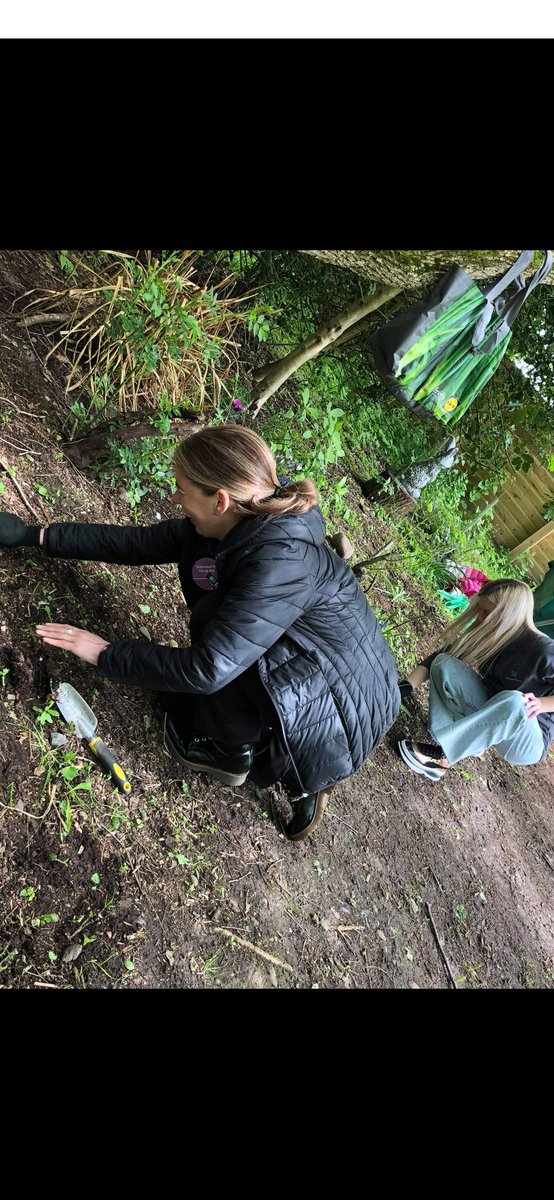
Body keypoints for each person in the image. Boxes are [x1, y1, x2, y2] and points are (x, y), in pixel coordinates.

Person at [0, 425, 401, 841]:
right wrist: (36, 536)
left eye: (181, 490)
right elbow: (137, 543)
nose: (174, 499)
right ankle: (279, 750)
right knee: (222, 637)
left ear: (220, 500)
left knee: (214, 654)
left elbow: (208, 668)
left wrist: (105, 652)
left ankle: (236, 755)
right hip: (313, 656)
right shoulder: (245, 518)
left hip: (347, 699)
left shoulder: (276, 565)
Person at [396, 578, 554, 782]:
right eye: (481, 609)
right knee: (444, 663)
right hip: (492, 712)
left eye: (487, 613)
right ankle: (452, 738)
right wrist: (404, 687)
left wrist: (541, 704)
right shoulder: (494, 636)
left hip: (525, 738)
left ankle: (442, 759)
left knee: (517, 701)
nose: (479, 616)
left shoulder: (544, 651)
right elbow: (442, 656)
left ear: (507, 616)